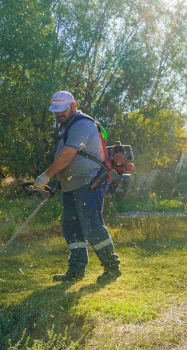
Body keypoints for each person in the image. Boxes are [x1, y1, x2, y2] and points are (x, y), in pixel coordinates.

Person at [34, 91, 121, 283]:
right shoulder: (69, 126)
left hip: (89, 183)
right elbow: (67, 161)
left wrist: (46, 175)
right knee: (71, 227)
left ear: (74, 105)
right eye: (55, 110)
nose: (59, 114)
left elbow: (66, 156)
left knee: (91, 225)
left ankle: (112, 268)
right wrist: (59, 180)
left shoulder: (82, 124)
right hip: (72, 185)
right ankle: (75, 271)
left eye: (62, 109)